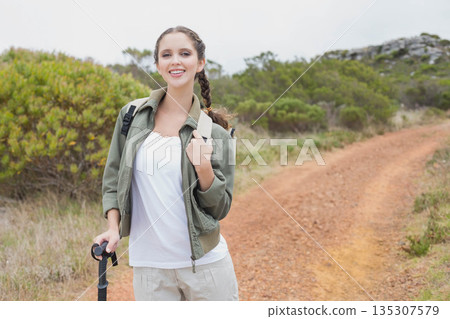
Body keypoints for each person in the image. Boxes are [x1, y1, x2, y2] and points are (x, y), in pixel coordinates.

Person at [93, 26, 238, 301]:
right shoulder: (131, 115)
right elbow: (112, 179)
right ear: (158, 64)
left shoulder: (214, 132)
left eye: (185, 53)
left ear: (200, 63)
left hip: (205, 267)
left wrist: (204, 168)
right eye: (166, 54)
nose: (175, 61)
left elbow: (221, 208)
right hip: (150, 270)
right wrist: (113, 228)